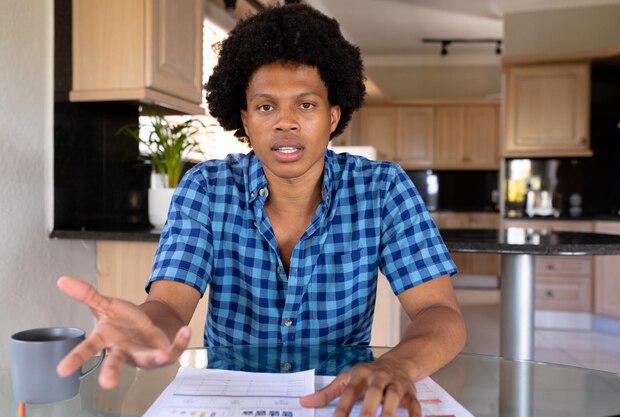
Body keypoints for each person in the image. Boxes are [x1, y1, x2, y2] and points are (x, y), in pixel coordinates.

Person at [57, 4, 466, 417]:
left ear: (333, 116)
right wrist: (148, 328)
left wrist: (396, 364)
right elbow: (168, 306)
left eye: (306, 105)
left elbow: (440, 314)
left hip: (341, 397)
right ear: (246, 120)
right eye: (266, 107)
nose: (285, 123)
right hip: (232, 399)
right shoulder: (206, 188)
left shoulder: (383, 189)